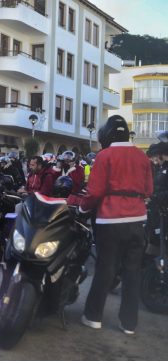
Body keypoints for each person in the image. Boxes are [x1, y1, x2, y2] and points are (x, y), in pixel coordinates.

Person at [79, 115, 153, 335]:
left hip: (110, 219)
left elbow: (94, 192)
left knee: (105, 268)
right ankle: (129, 324)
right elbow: (148, 191)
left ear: (107, 135)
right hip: (137, 220)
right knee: (132, 272)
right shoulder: (143, 157)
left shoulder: (105, 156)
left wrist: (82, 209)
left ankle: (93, 317)